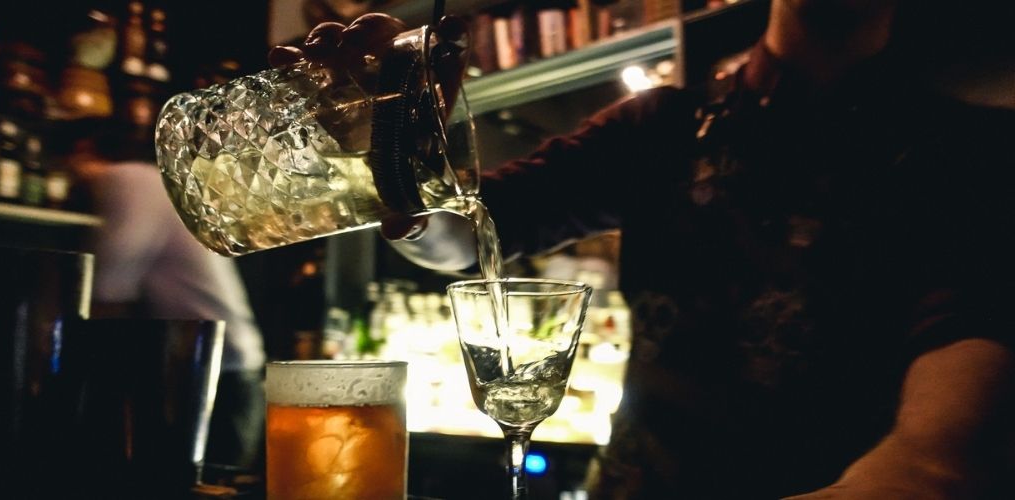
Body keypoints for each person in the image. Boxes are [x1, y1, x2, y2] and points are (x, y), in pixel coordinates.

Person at [272, 1, 1015, 498]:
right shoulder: (661, 129)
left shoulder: (972, 160)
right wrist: (396, 161)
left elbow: (940, 463)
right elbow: (467, 236)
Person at [68, 122, 268, 471]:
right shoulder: (154, 184)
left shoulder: (131, 180)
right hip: (217, 366)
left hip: (221, 373)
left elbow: (109, 285)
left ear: (83, 152)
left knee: (203, 485)